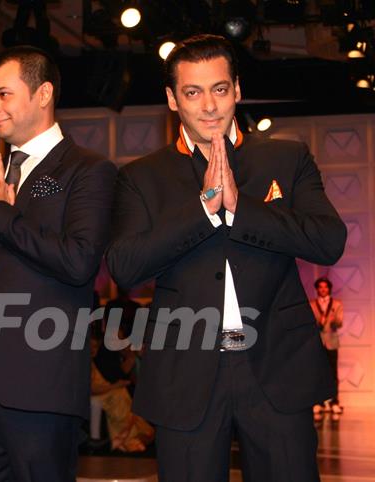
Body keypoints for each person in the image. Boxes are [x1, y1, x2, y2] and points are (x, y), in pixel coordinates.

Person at [106, 34, 347, 481]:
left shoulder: (286, 156)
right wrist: (203, 210)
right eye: (192, 92)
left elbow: (328, 240)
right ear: (172, 100)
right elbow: (125, 267)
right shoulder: (141, 177)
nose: (209, 106)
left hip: (278, 368)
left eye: (219, 89)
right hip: (186, 374)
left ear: (237, 89)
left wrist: (242, 209)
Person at [0, 45, 117, 482]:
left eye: (3, 94)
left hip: (40, 369)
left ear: (43, 93)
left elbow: (78, 261)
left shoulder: (88, 170)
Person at [310, 276, 344, 417]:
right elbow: (311, 323)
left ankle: (334, 402)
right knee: (316, 373)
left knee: (333, 373)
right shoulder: (312, 304)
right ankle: (318, 402)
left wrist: (332, 318)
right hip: (317, 342)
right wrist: (320, 321)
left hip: (331, 341)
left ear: (329, 288)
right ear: (317, 289)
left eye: (325, 287)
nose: (323, 289)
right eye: (320, 287)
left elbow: (339, 323)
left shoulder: (336, 304)